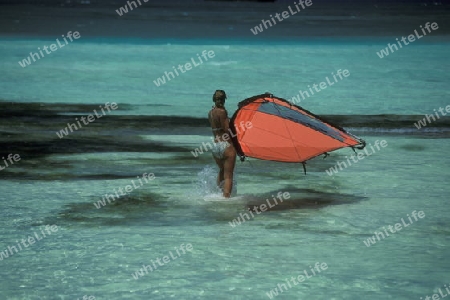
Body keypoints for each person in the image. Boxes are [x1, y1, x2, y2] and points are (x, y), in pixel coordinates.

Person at [208, 90, 236, 198]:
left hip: (215, 146)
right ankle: (226, 200)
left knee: (222, 170)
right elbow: (227, 129)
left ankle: (218, 194)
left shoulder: (210, 113)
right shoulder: (222, 112)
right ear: (224, 99)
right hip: (225, 145)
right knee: (228, 176)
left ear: (214, 99)